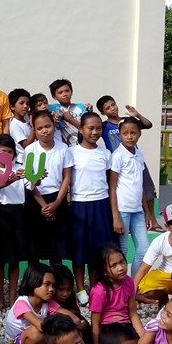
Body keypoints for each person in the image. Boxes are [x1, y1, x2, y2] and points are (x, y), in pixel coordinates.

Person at [4, 263, 80, 344]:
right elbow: (40, 325)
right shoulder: (22, 303)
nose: (51, 289)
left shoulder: (47, 303)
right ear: (33, 282)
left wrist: (75, 322)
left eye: (53, 286)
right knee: (38, 332)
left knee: (63, 336)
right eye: (47, 285)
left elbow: (70, 316)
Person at [96, 95, 160, 232]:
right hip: (119, 165)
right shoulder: (104, 125)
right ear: (103, 113)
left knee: (148, 188)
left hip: (135, 159)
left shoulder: (128, 121)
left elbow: (148, 125)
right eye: (107, 108)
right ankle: (123, 220)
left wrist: (137, 115)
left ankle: (152, 220)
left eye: (113, 104)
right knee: (120, 191)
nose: (112, 108)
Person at [69, 111, 116, 296]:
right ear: (81, 129)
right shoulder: (71, 152)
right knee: (80, 249)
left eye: (98, 128)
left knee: (98, 249)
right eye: (90, 128)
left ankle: (96, 286)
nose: (95, 132)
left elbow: (111, 184)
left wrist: (114, 214)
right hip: (80, 205)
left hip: (101, 205)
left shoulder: (105, 154)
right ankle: (80, 288)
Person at [25, 110, 73, 266]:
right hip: (36, 200)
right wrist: (45, 206)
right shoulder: (30, 150)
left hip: (57, 200)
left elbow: (67, 176)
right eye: (39, 128)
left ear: (54, 125)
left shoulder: (63, 149)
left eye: (48, 126)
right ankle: (35, 286)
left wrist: (57, 203)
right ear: (34, 130)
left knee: (56, 249)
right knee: (35, 248)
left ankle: (57, 285)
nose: (44, 131)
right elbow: (29, 180)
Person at [0, 135, 29, 310]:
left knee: (15, 260)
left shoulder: (21, 168)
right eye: (3, 151)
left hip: (19, 213)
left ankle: (13, 298)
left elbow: (31, 185)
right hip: (0, 214)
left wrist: (37, 178)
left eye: (10, 151)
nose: (7, 154)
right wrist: (11, 179)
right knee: (0, 260)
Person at [108, 117, 150, 276]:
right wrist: (115, 216)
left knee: (144, 249)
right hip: (122, 210)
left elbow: (139, 186)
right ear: (119, 134)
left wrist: (147, 213)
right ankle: (119, 283)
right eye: (125, 133)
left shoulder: (139, 155)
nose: (129, 136)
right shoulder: (118, 156)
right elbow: (112, 187)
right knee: (122, 250)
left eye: (133, 133)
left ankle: (133, 284)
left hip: (137, 210)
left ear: (139, 134)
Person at [88, 245, 145, 344]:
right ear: (104, 269)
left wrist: (142, 335)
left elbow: (132, 312)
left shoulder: (128, 282)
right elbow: (95, 323)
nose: (121, 268)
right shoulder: (99, 290)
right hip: (108, 329)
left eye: (122, 262)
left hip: (125, 325)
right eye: (114, 265)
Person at [50, 263, 91, 337]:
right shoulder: (47, 301)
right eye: (61, 289)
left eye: (68, 289)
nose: (65, 294)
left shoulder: (70, 298)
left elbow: (77, 315)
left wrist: (84, 324)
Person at [47, 78, 88, 145]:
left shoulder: (81, 107)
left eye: (67, 91)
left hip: (83, 146)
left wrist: (70, 119)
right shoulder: (52, 108)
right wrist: (52, 116)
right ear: (54, 96)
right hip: (65, 148)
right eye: (60, 92)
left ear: (71, 92)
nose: (64, 94)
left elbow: (86, 128)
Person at [7, 88, 35, 164]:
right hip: (24, 161)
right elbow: (26, 145)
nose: (25, 106)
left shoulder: (26, 118)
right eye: (21, 103)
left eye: (27, 103)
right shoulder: (15, 125)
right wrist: (34, 128)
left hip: (34, 158)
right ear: (12, 106)